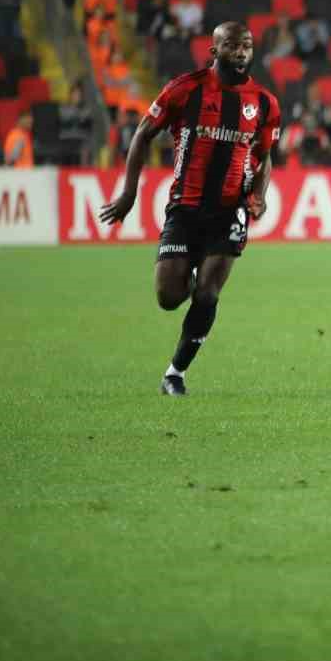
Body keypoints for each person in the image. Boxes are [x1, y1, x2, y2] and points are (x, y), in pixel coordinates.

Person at [97, 22, 282, 397]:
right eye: (232, 45)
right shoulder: (185, 89)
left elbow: (264, 158)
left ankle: (175, 374)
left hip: (230, 210)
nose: (242, 52)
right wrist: (129, 194)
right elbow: (142, 135)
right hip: (185, 207)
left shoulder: (263, 102)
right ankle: (195, 282)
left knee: (210, 294)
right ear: (214, 51)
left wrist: (258, 195)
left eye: (247, 45)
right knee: (168, 297)